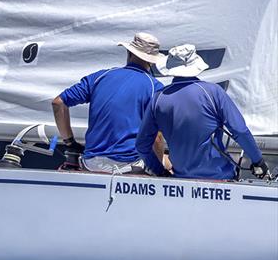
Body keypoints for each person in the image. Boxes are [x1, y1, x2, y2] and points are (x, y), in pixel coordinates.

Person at [136, 44, 269, 180]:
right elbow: (239, 130)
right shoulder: (213, 92)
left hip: (181, 179)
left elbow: (142, 144)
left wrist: (160, 171)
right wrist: (258, 160)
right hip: (220, 177)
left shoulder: (159, 98)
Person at [52, 32, 165, 173]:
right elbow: (157, 138)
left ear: (129, 52)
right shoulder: (155, 87)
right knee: (167, 162)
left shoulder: (100, 77)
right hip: (130, 165)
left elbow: (58, 103)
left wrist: (70, 143)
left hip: (92, 163)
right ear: (153, 61)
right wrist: (158, 172)